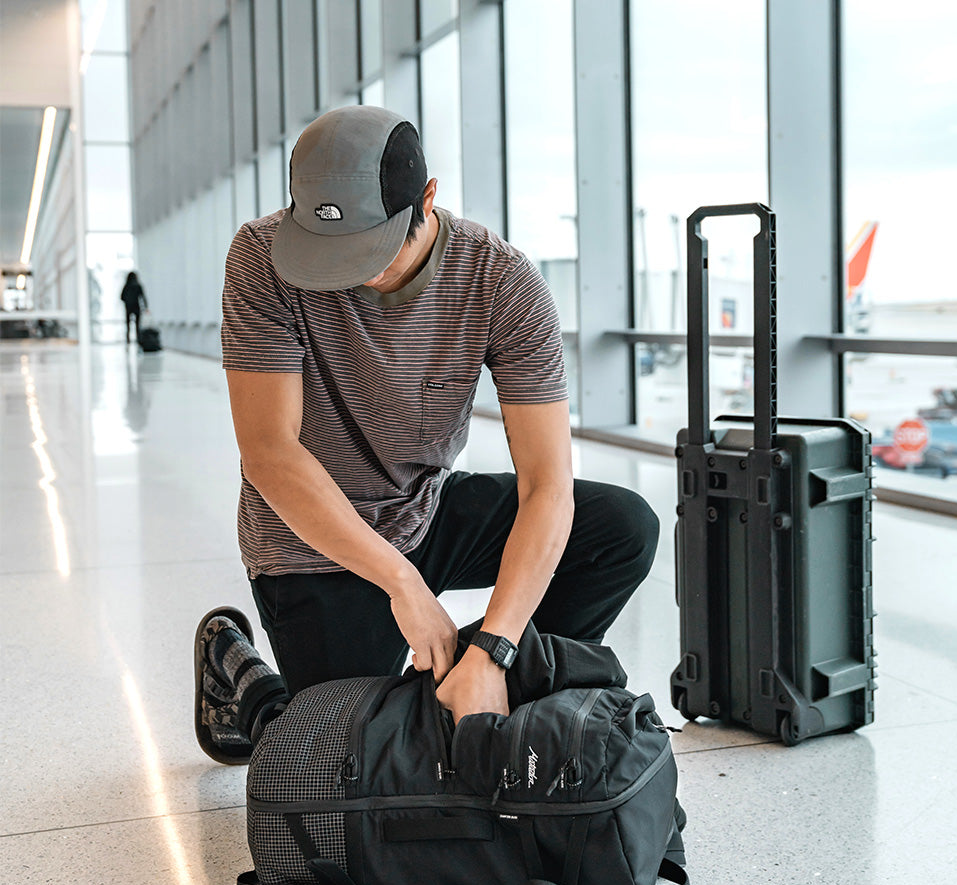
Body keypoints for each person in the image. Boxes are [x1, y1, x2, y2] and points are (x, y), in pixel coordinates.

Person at [205, 104, 658, 764]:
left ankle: (503, 686)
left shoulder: (500, 279)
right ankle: (243, 678)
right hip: (312, 541)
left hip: (424, 511)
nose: (357, 274)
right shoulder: (261, 257)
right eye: (334, 253)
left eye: (376, 251)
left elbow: (546, 486)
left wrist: (498, 645)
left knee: (619, 527)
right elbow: (271, 452)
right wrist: (403, 586)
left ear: (428, 199)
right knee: (349, 758)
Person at [120, 271, 147, 345]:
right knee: (137, 326)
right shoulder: (138, 285)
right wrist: (146, 307)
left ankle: (128, 341)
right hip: (136, 307)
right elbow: (143, 297)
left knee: (128, 325)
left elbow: (121, 297)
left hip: (128, 307)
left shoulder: (126, 286)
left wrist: (127, 301)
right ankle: (138, 341)